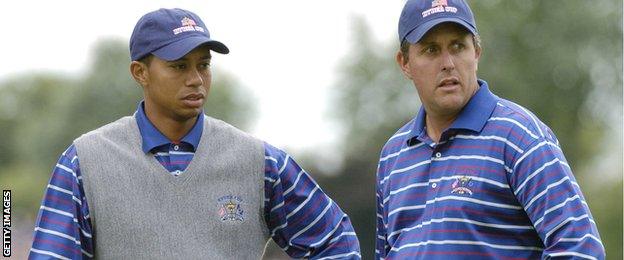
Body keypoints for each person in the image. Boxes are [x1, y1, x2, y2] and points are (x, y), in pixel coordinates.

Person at [29, 8, 360, 259]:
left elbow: (334, 240)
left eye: (203, 65)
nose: (196, 79)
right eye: (179, 66)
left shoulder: (260, 163)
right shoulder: (85, 162)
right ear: (140, 72)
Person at [375, 0, 605, 259]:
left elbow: (580, 248)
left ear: (476, 53)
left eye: (458, 46)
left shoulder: (519, 136)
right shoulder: (392, 156)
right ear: (404, 63)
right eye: (431, 50)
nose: (448, 62)